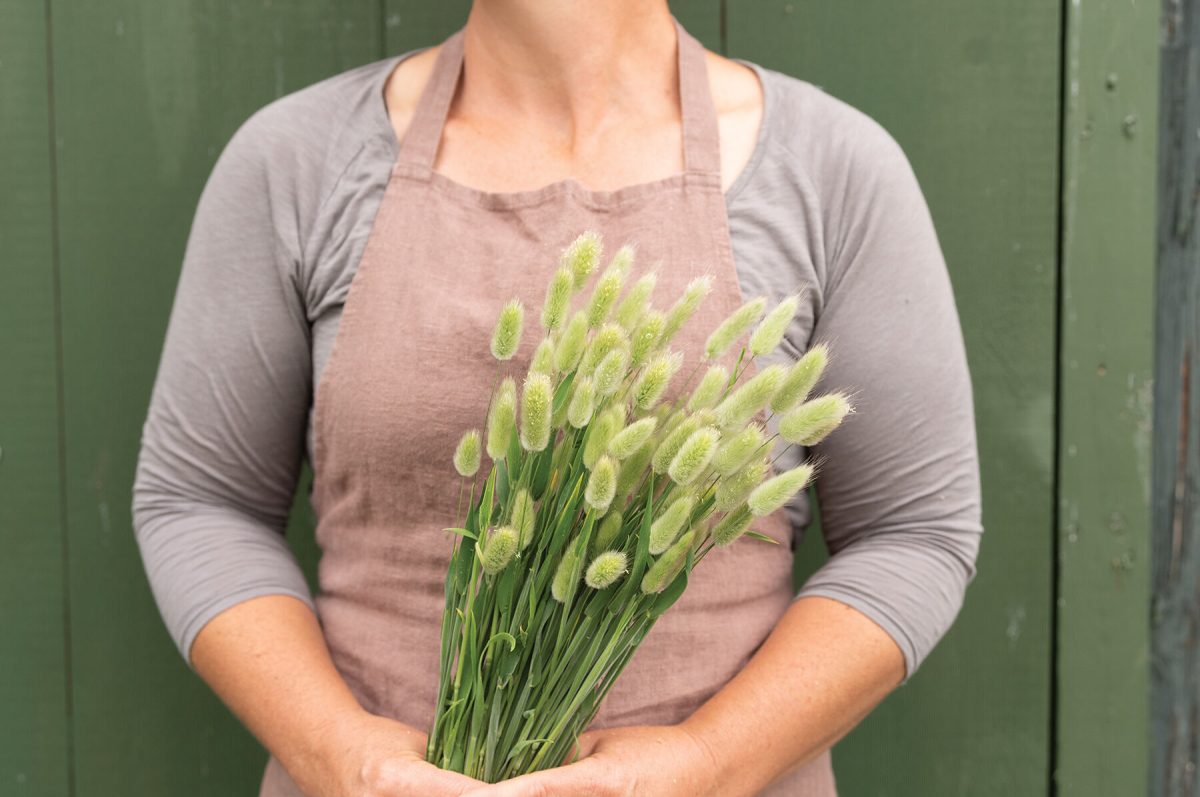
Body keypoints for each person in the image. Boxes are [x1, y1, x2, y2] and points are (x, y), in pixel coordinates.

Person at [131, 2, 983, 795]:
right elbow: (199, 503)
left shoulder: (832, 168)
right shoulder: (297, 159)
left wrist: (709, 760)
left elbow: (916, 533)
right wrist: (342, 756)